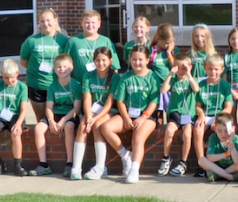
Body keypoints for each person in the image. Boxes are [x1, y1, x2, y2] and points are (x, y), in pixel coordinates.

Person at [108, 47, 161, 184]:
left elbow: (154, 102)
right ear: (130, 60)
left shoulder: (153, 77)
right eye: (134, 60)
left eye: (140, 59)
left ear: (147, 60)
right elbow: (120, 100)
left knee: (137, 137)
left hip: (147, 116)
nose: (137, 62)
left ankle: (134, 170)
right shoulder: (126, 77)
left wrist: (143, 117)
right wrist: (125, 118)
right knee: (106, 128)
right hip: (128, 114)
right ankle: (125, 155)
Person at [32, 54, 81, 177]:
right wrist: (51, 120)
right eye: (58, 67)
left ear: (71, 68)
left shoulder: (76, 85)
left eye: (65, 66)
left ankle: (70, 163)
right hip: (55, 114)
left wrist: (63, 121)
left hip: (69, 115)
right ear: (54, 69)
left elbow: (76, 108)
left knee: (69, 127)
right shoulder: (52, 86)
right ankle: (43, 165)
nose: (62, 69)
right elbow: (48, 107)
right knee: (38, 128)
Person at [0, 60, 32, 176]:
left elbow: (24, 109)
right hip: (1, 117)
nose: (9, 81)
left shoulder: (22, 87)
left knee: (15, 133)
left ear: (17, 74)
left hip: (15, 117)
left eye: (12, 78)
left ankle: (18, 164)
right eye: (6, 78)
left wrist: (19, 124)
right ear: (1, 74)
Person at [74, 47, 118, 180]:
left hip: (109, 111)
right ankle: (76, 167)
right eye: (97, 60)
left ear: (110, 61)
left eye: (104, 60)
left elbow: (109, 104)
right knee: (83, 124)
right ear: (93, 61)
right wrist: (88, 117)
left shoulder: (115, 77)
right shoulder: (87, 76)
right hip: (93, 110)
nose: (101, 63)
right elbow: (87, 100)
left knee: (97, 125)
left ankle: (100, 166)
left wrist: (94, 119)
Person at [21, 8, 70, 123]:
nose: (45, 24)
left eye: (48, 20)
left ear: (55, 20)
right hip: (37, 87)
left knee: (59, 121)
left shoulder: (64, 40)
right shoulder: (31, 41)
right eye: (42, 21)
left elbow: (68, 62)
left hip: (58, 86)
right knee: (42, 121)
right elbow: (24, 62)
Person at [157, 54, 198, 177]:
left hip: (188, 113)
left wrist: (189, 74)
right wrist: (170, 74)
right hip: (175, 112)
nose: (181, 70)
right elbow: (163, 90)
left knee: (187, 135)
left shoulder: (191, 79)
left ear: (190, 67)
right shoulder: (173, 80)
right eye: (178, 67)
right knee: (169, 131)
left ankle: (183, 162)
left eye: (183, 67)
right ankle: (166, 158)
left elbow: (196, 89)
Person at [193, 54, 234, 178]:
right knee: (198, 130)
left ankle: (225, 161)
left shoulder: (225, 85)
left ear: (222, 69)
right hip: (206, 115)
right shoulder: (201, 85)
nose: (213, 72)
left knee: (226, 131)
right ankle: (202, 163)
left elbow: (228, 107)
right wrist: (200, 114)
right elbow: (198, 105)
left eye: (216, 69)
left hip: (221, 115)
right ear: (205, 68)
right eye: (210, 69)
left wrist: (217, 119)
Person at [66, 10, 118, 82]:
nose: (90, 25)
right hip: (78, 84)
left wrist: (111, 83)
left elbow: (114, 66)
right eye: (87, 22)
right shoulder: (73, 41)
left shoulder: (106, 41)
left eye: (93, 22)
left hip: (100, 85)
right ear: (81, 23)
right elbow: (65, 63)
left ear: (99, 24)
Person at [198, 112, 238, 183]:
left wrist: (231, 141)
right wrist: (226, 154)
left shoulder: (237, 140)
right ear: (215, 129)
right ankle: (229, 177)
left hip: (232, 167)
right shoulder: (213, 138)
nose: (223, 134)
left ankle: (218, 175)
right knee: (201, 160)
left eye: (226, 131)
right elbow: (210, 158)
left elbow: (237, 161)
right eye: (219, 131)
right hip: (218, 166)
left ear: (232, 129)